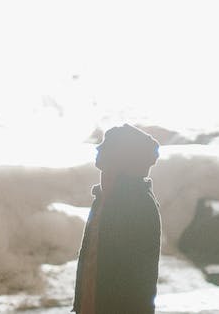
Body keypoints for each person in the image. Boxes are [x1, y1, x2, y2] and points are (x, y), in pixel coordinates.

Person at [73, 123, 162, 314]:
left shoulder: (137, 204)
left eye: (108, 144)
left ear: (123, 157)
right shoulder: (105, 198)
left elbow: (139, 280)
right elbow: (92, 262)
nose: (99, 148)